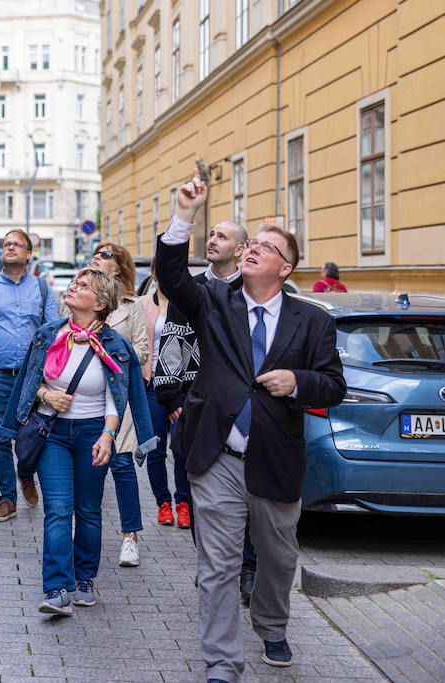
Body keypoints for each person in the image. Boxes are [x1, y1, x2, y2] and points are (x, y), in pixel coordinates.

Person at [159, 167, 346, 682]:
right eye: (252, 243)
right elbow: (171, 276)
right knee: (217, 565)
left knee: (278, 558)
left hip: (275, 457)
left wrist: (298, 381)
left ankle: (271, 624)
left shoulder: (314, 320)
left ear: (285, 268)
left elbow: (334, 385)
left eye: (266, 246)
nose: (252, 249)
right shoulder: (213, 301)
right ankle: (222, 662)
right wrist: (184, 215)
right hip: (217, 454)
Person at [0, 268, 156, 615]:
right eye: (75, 282)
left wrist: (108, 436)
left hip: (93, 433)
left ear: (100, 303)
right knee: (58, 509)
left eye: (83, 286)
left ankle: (84, 578)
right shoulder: (47, 335)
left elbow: (117, 398)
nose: (73, 287)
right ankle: (57, 588)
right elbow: (28, 383)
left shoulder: (116, 345)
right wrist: (47, 395)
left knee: (87, 510)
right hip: (51, 433)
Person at [153, 218, 254, 602]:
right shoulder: (193, 288)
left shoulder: (253, 290)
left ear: (240, 249)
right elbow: (173, 340)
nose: (212, 240)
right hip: (198, 404)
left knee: (248, 493)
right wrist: (174, 398)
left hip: (244, 410)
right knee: (199, 491)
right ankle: (211, 560)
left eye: (221, 236)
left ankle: (247, 568)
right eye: (210, 234)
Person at [0, 230, 60, 521]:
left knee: (34, 434)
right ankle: (7, 499)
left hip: (33, 379)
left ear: (28, 253)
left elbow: (53, 332)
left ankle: (26, 474)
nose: (10, 247)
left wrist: (47, 375)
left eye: (16, 244)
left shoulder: (42, 288)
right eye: (6, 244)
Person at [89, 241, 149, 567]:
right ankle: (87, 534)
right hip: (84, 395)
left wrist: (110, 349)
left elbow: (142, 351)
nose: (97, 257)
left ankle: (130, 537)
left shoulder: (132, 305)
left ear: (119, 266)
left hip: (118, 394)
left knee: (122, 465)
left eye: (105, 254)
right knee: (88, 467)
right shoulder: (81, 295)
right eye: (96, 253)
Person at [140, 259, 189, 528]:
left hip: (182, 388)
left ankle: (183, 503)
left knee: (182, 449)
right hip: (152, 386)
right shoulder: (143, 304)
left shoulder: (189, 304)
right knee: (155, 449)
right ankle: (163, 504)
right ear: (154, 273)